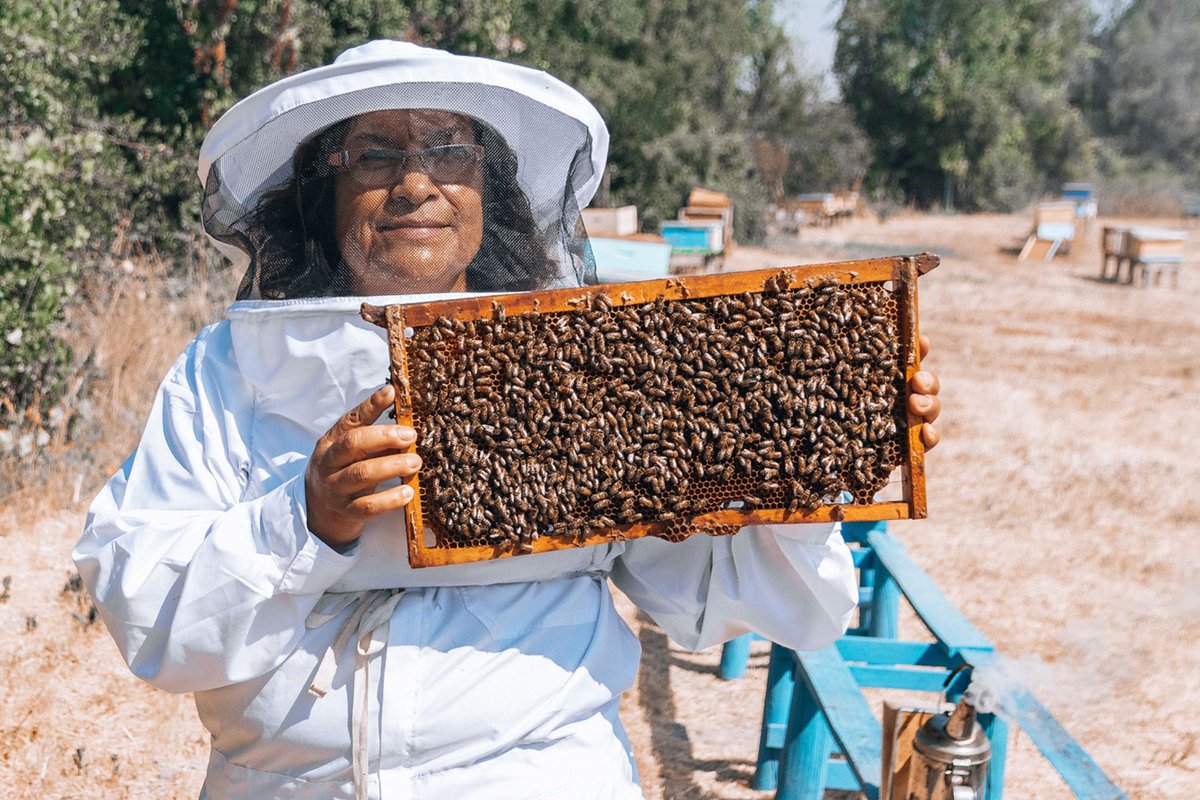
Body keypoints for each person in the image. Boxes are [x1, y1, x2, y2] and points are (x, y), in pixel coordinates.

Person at [74, 41, 942, 800]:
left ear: (486, 187)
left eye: (449, 151)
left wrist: (807, 461)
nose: (417, 184)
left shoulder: (585, 359)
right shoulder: (225, 372)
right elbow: (145, 611)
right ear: (320, 192)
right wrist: (302, 519)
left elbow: (719, 598)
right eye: (375, 156)